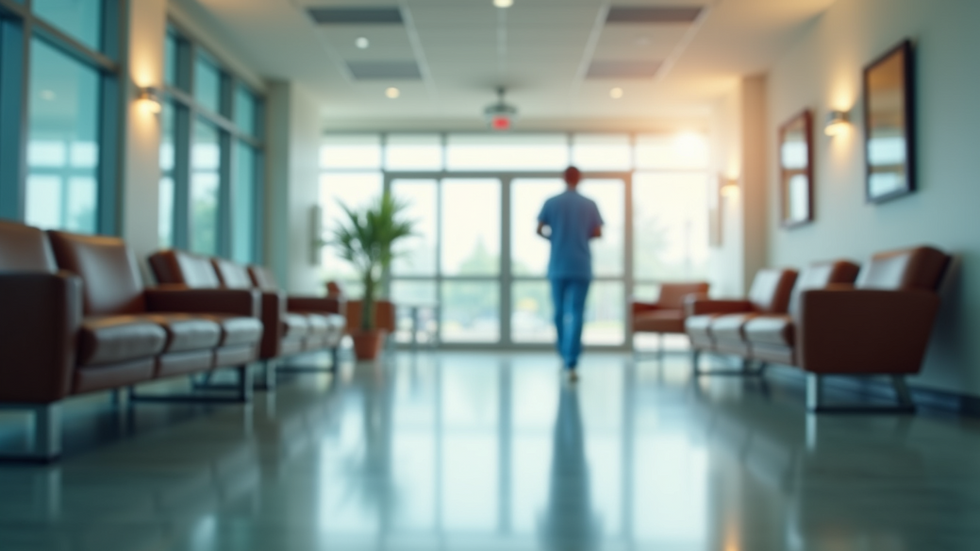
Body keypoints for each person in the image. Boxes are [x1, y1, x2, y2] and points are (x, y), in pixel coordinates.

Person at [537, 166, 603, 382]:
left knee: (559, 312)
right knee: (576, 314)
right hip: (581, 265)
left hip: (558, 265)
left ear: (563, 178)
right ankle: (571, 362)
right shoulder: (590, 204)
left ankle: (563, 354)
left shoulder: (551, 202)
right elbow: (597, 232)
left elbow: (539, 229)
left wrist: (555, 239)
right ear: (580, 179)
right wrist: (581, 239)